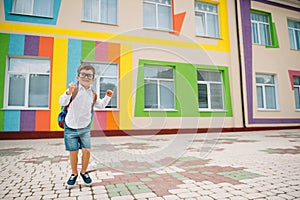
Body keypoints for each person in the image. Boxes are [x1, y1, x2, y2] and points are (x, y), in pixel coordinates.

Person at [59, 64, 113, 188]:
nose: (86, 77)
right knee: (73, 152)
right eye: (83, 74)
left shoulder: (93, 94)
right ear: (78, 77)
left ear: (93, 79)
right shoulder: (74, 91)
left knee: (86, 150)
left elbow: (100, 105)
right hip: (70, 127)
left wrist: (107, 97)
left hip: (84, 128)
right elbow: (62, 101)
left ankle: (84, 172)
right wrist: (68, 92)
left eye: (89, 75)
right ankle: (74, 174)